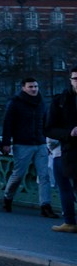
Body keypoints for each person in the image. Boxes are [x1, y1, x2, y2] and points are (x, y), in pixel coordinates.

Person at [1, 77, 58, 218]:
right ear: (23, 88)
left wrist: (48, 142)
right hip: (22, 144)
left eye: (36, 86)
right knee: (18, 175)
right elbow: (7, 123)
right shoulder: (15, 103)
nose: (34, 89)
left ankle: (45, 206)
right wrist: (6, 143)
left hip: (40, 144)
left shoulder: (41, 103)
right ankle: (7, 197)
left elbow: (45, 123)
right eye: (31, 86)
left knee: (44, 176)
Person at [50, 68, 77, 235]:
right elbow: (49, 128)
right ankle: (69, 221)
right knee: (65, 187)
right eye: (75, 78)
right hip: (68, 150)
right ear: (70, 80)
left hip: (64, 152)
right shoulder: (61, 100)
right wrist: (69, 133)